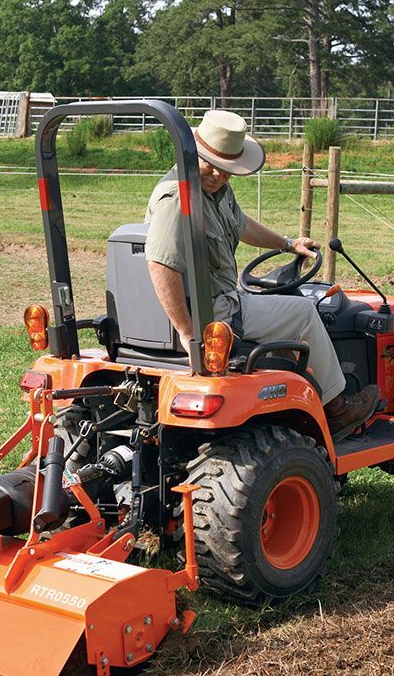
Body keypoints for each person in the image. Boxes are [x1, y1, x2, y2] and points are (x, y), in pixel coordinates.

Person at [144, 109, 380, 439]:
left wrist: (287, 244)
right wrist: (186, 331)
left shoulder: (216, 192)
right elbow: (161, 264)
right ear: (192, 151)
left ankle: (296, 393)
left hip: (219, 302)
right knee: (304, 312)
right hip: (216, 315)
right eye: (211, 163)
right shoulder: (176, 199)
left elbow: (241, 225)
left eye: (227, 169)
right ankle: (336, 407)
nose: (218, 174)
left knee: (278, 313)